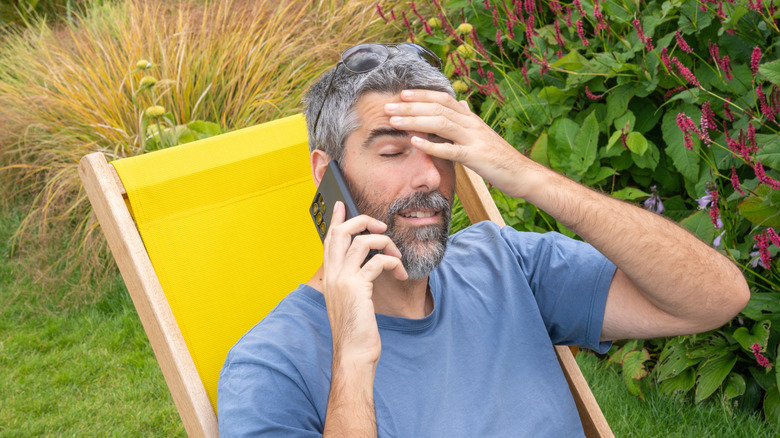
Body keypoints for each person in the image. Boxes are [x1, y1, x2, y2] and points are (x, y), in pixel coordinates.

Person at [217, 43, 749, 437]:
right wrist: (353, 357)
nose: (429, 176)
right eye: (393, 152)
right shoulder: (271, 365)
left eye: (441, 148)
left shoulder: (506, 262)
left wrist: (530, 178)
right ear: (326, 174)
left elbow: (717, 297)